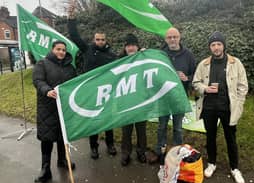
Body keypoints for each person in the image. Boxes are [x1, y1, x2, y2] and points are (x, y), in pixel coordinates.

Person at [192, 31, 248, 183]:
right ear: (210, 47)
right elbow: (195, 82)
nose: (216, 47)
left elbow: (243, 86)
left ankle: (235, 168)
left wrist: (239, 102)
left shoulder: (235, 63)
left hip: (227, 108)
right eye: (213, 45)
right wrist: (204, 88)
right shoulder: (203, 64)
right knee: (210, 137)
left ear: (223, 46)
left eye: (218, 44)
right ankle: (212, 163)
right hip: (209, 108)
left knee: (231, 139)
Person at [67, 3, 117, 160]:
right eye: (98, 39)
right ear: (94, 39)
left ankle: (110, 145)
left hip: (107, 92)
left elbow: (126, 61)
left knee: (108, 120)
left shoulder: (111, 54)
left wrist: (140, 53)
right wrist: (71, 17)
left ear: (106, 40)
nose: (100, 41)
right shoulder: (87, 49)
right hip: (91, 91)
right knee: (93, 120)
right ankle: (93, 147)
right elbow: (74, 36)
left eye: (102, 39)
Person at [149, 27, 196, 163]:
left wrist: (187, 78)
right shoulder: (160, 55)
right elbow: (152, 71)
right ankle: (160, 152)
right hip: (163, 97)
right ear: (165, 39)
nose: (172, 39)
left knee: (178, 128)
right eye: (169, 37)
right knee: (161, 127)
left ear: (179, 38)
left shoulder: (188, 55)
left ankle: (176, 155)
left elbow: (195, 74)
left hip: (179, 97)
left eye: (175, 37)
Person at [32, 41, 76, 183]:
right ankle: (45, 169)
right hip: (47, 106)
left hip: (63, 107)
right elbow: (38, 80)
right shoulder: (42, 64)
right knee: (47, 137)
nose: (61, 52)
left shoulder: (70, 67)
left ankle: (62, 160)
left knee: (62, 135)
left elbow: (75, 84)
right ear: (52, 50)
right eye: (58, 49)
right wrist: (47, 90)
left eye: (63, 50)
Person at [119, 34, 147, 166]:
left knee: (141, 130)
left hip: (141, 101)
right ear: (125, 48)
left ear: (137, 47)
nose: (131, 48)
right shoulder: (118, 61)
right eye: (128, 45)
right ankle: (126, 153)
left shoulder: (144, 58)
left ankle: (141, 152)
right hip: (125, 102)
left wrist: (146, 55)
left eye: (133, 45)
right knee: (126, 131)